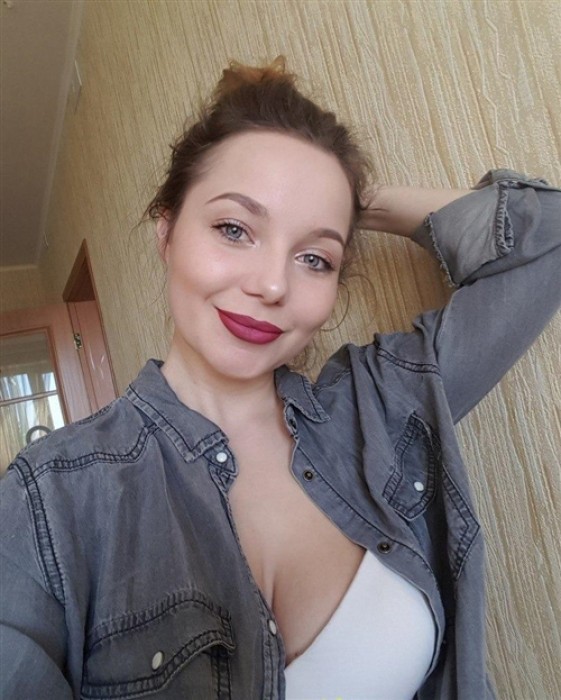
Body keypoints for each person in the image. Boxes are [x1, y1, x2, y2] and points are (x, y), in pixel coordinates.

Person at [0, 57, 560, 700]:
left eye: (315, 257)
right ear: (167, 231)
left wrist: (349, 201)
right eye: (234, 229)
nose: (271, 284)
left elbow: (545, 236)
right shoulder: (48, 501)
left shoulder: (380, 406)